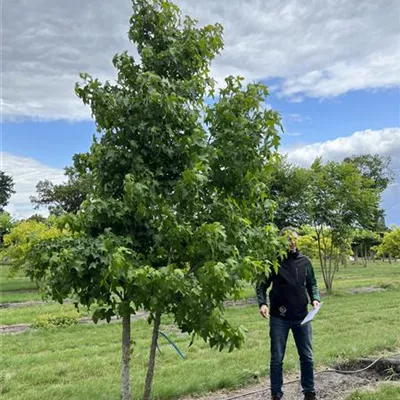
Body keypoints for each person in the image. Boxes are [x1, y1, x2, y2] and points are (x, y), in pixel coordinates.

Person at [256, 228, 321, 400]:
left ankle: (309, 392)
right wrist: (262, 303)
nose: (291, 242)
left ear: (297, 240)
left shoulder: (305, 262)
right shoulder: (274, 263)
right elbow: (261, 285)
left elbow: (312, 284)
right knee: (277, 358)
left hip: (302, 317)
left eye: (294, 239)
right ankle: (276, 393)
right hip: (279, 318)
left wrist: (315, 298)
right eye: (287, 240)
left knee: (307, 356)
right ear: (280, 242)